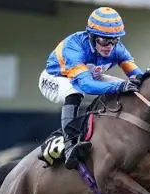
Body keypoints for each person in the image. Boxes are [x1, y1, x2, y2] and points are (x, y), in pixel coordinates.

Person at [38, 6, 144, 170]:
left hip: (88, 76)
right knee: (75, 92)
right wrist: (120, 86)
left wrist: (148, 80)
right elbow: (86, 85)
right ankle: (69, 144)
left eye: (114, 40)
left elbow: (136, 76)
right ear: (92, 36)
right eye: (103, 40)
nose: (109, 46)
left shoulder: (118, 48)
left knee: (128, 88)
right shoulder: (74, 47)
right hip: (56, 78)